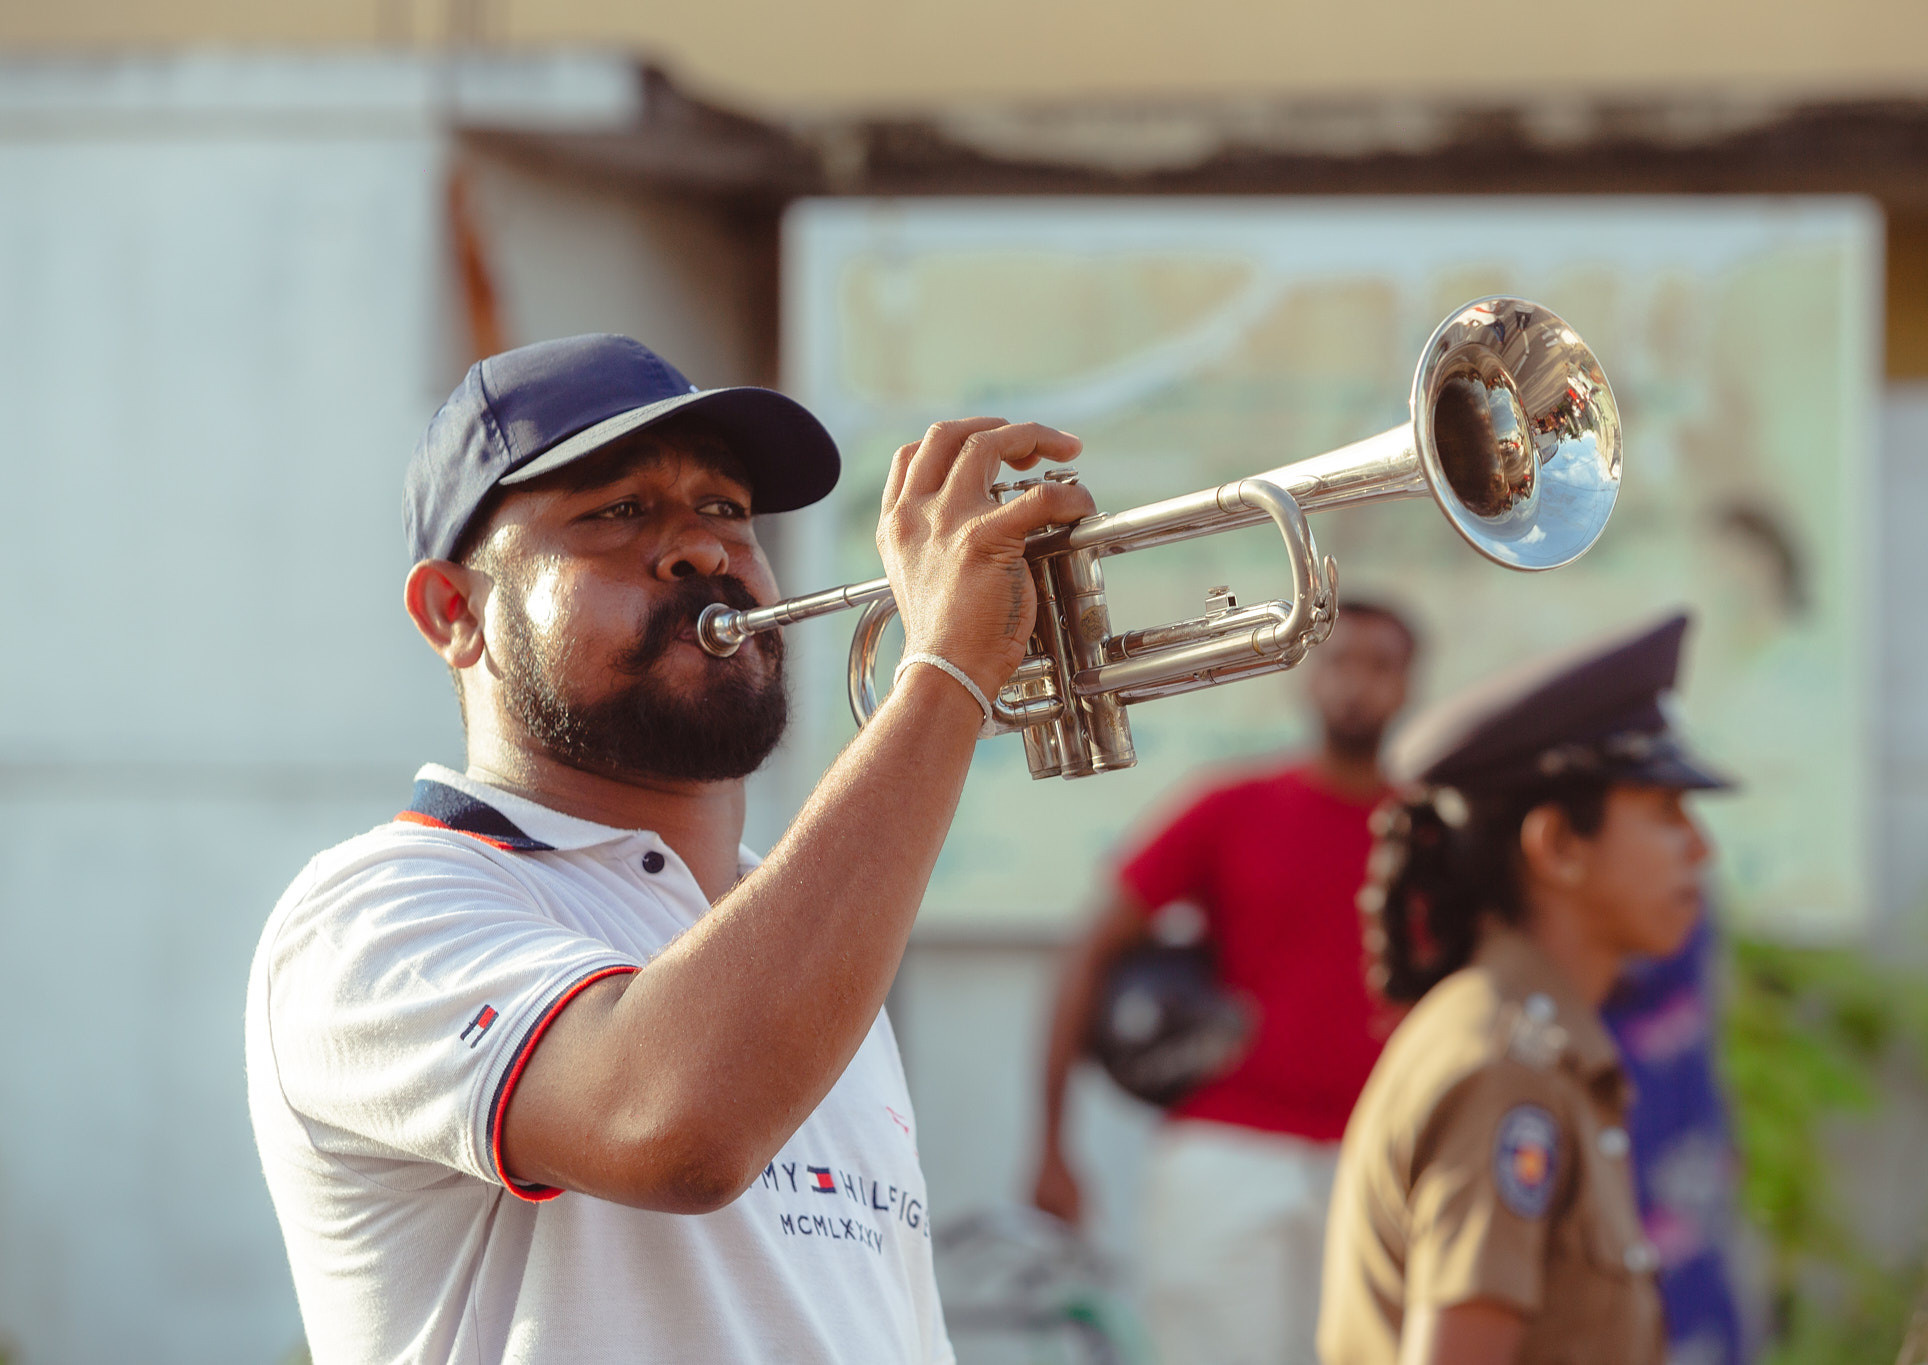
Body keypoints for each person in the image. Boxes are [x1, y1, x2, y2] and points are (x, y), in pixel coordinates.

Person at [244, 334, 1096, 1363]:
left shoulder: (794, 929)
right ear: (453, 612)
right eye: (616, 511)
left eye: (726, 509)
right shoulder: (371, 912)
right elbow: (676, 1122)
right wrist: (947, 677)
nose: (701, 550)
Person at [1318, 611, 1732, 1365]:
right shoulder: (1509, 1065)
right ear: (1558, 845)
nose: (1700, 847)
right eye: (1667, 811)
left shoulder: (1534, 1041)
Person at [1029, 601, 1417, 1365]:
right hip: (1226, 1155)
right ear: (1309, 677)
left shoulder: (1432, 832)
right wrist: (1051, 1143)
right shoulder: (1234, 807)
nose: (1357, 685)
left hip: (1383, 1161)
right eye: (1341, 661)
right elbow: (1089, 950)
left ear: (1408, 686)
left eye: (1381, 666)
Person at [1602, 908, 1749, 1365]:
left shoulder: (1683, 903)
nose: (1698, 850)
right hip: (1622, 1164)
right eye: (1667, 828)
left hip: (1686, 1154)